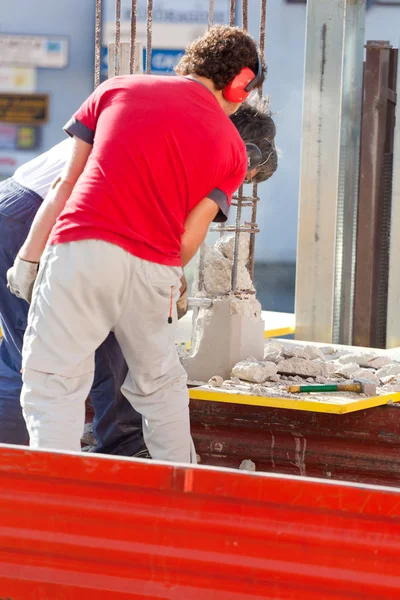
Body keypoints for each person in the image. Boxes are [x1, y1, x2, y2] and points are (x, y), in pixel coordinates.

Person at [7, 25, 267, 462]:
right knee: (160, 384)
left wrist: (29, 258)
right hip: (156, 268)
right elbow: (191, 234)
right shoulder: (233, 149)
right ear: (239, 85)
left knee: (54, 380)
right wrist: (171, 282)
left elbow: (64, 185)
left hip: (80, 250)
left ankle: (57, 496)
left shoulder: (116, 90)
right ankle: (180, 487)